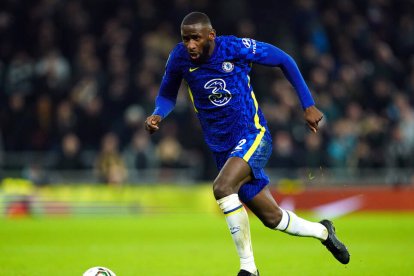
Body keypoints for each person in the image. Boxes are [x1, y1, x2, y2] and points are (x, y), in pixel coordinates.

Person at [145, 12, 350, 276]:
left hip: (253, 135)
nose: (190, 45)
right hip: (222, 149)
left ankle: (249, 269)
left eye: (195, 38)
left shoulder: (233, 47)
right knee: (272, 218)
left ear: (211, 35)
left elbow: (284, 60)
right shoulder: (179, 58)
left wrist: (307, 104)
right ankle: (323, 231)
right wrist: (157, 114)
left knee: (222, 187)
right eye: (186, 39)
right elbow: (166, 95)